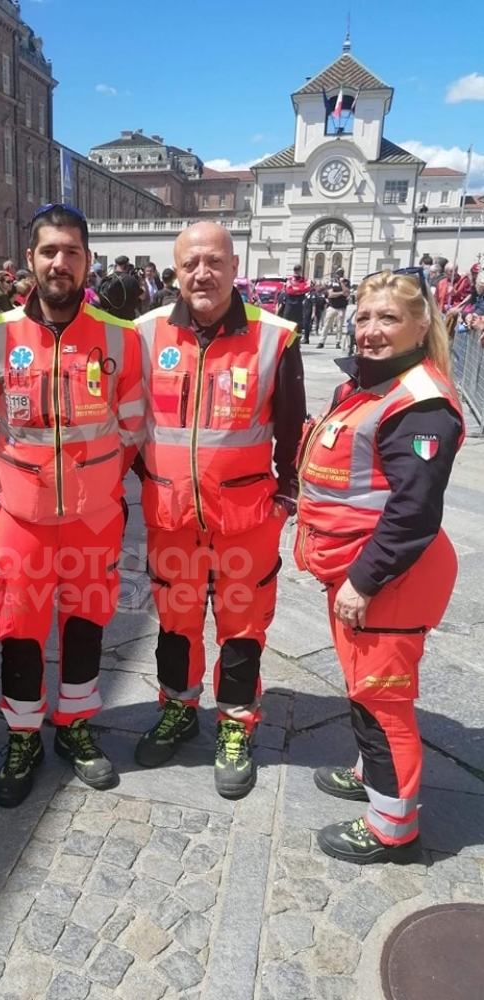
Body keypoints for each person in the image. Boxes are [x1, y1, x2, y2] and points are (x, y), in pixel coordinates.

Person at [0, 203, 145, 808]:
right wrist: (16, 486)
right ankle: (22, 735)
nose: (59, 262)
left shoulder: (122, 337)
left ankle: (74, 726)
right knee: (18, 626)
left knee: (87, 621)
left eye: (71, 251)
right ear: (31, 260)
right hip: (20, 519)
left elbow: (131, 427)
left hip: (95, 518)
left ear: (87, 260)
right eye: (48, 251)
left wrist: (92, 486)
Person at [295, 267, 464, 864]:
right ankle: (371, 775)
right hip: (356, 574)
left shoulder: (421, 407)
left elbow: (413, 513)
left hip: (387, 580)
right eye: (364, 316)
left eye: (388, 318)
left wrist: (363, 583)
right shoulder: (368, 387)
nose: (370, 330)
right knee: (363, 690)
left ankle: (392, 827)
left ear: (422, 325)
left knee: (383, 704)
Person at [133, 221, 306, 799]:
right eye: (190, 264)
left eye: (213, 262)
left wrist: (284, 498)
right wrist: (153, 482)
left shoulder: (276, 336)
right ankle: (179, 709)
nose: (202, 274)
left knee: (242, 627)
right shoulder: (144, 334)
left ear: (235, 266)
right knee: (176, 623)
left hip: (246, 520)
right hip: (172, 518)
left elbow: (291, 430)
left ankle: (235, 725)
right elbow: (131, 423)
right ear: (175, 272)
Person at [98, 255, 142, 320]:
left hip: (110, 319)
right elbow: (142, 296)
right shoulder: (131, 280)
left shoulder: (108, 279)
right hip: (127, 320)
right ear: (126, 266)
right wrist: (141, 281)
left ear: (116, 265)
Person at [316, 268, 350, 348]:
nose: (339, 275)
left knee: (339, 326)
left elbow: (347, 293)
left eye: (341, 273)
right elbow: (331, 294)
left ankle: (338, 342)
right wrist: (342, 292)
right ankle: (322, 341)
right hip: (332, 306)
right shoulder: (332, 282)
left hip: (341, 308)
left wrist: (342, 283)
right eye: (338, 273)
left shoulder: (346, 282)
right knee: (327, 324)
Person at [282, 264, 310, 334]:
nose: (296, 271)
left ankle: (297, 339)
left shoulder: (305, 280)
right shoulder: (289, 280)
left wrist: (295, 289)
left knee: (298, 323)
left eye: (298, 270)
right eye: (295, 270)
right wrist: (300, 290)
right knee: (286, 322)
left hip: (299, 304)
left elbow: (307, 289)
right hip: (290, 304)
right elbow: (289, 291)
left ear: (300, 271)